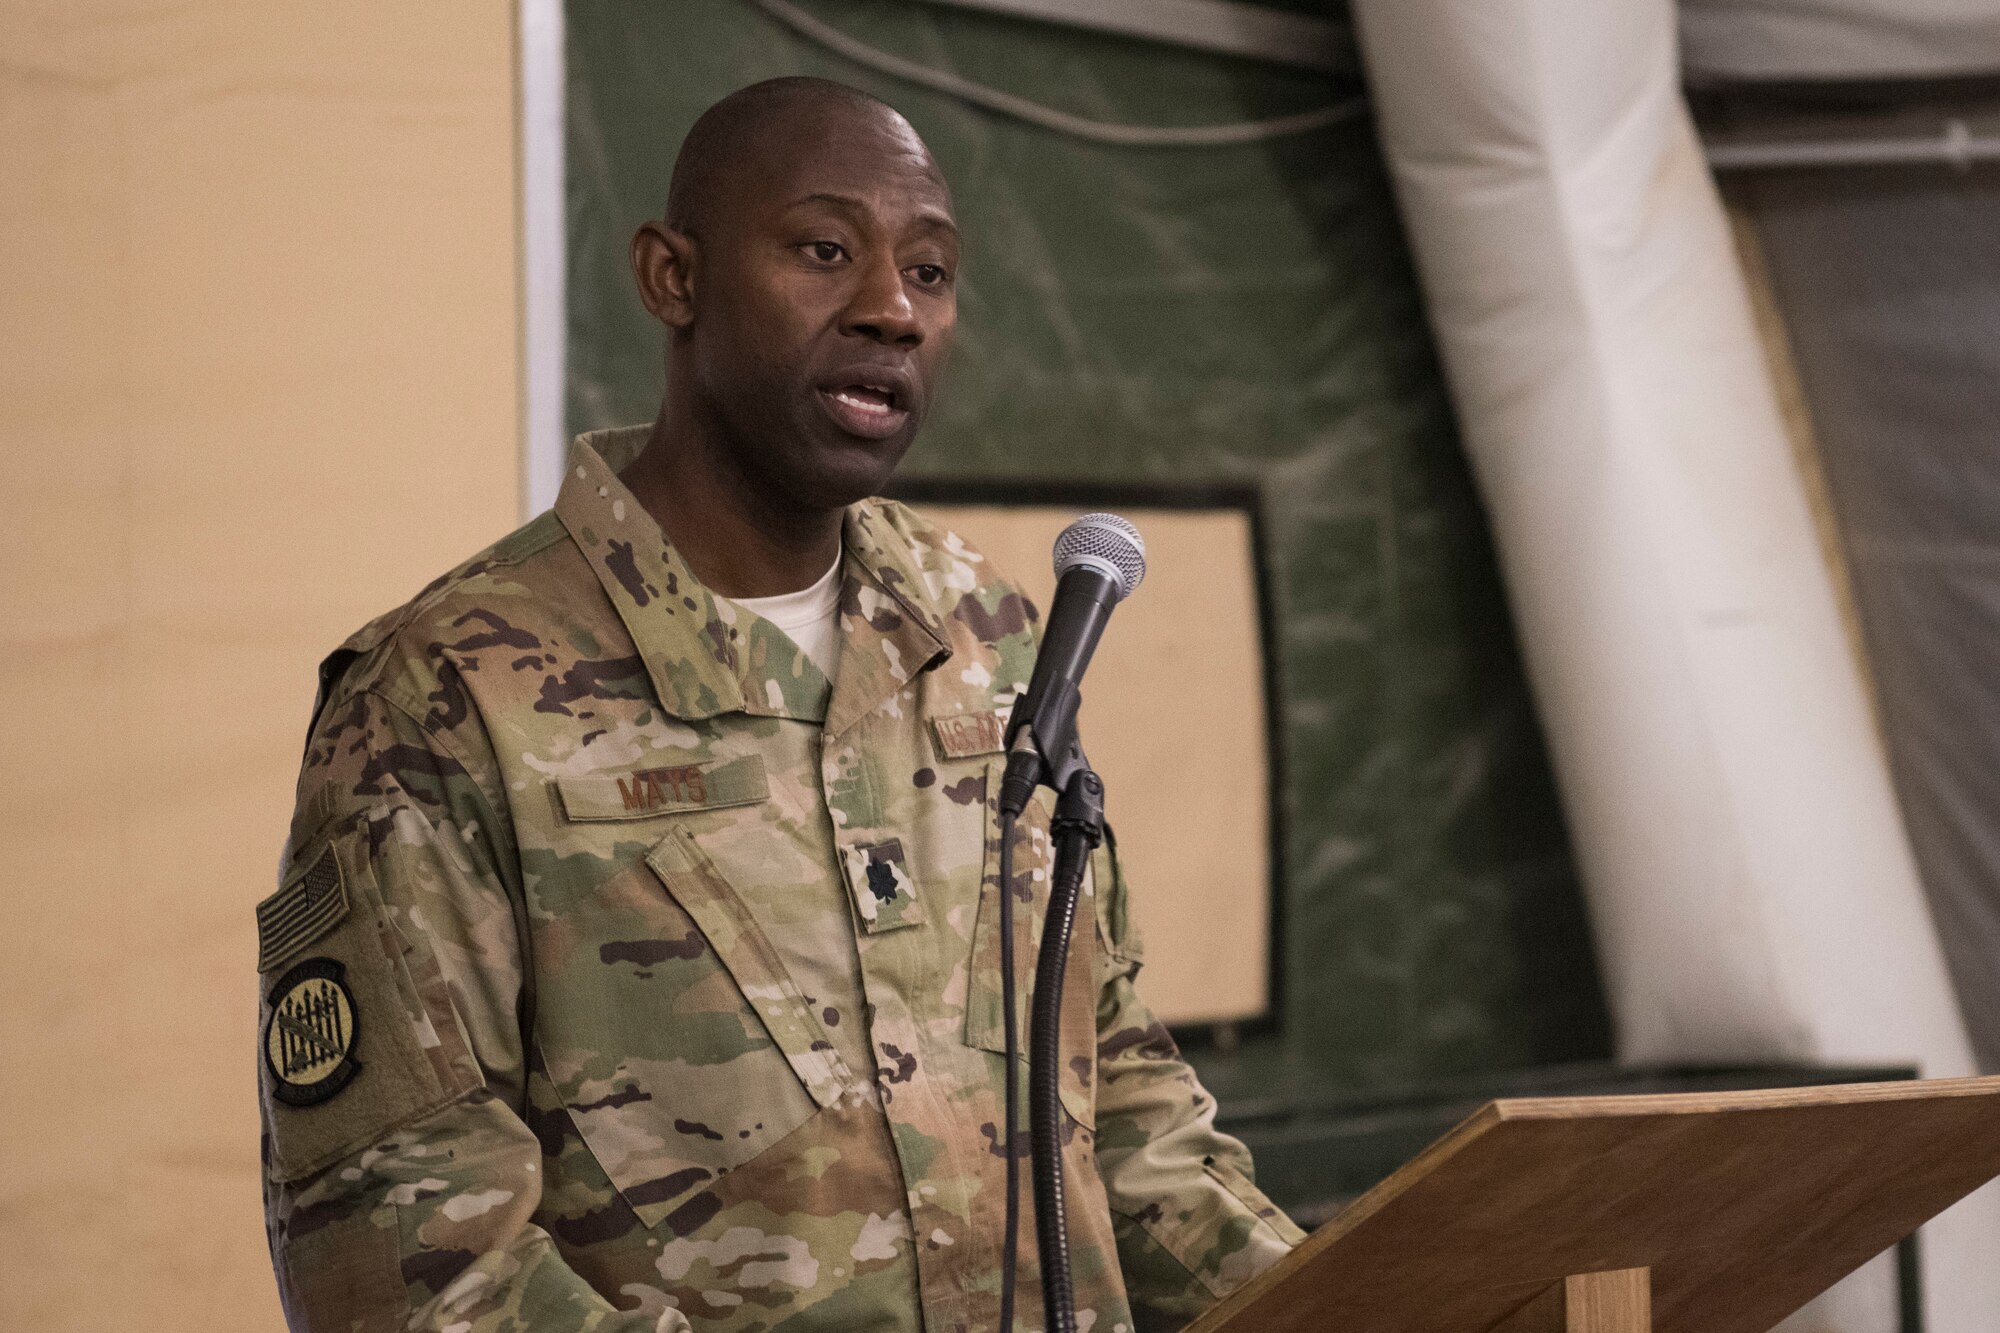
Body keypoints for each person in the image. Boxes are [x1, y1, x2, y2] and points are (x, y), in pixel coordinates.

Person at [255, 76, 1302, 1333]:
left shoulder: (982, 634)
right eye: (823, 251)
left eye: (929, 272)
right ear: (670, 279)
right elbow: (407, 1258)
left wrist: (1384, 1297)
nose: (890, 311)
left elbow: (1115, 1093)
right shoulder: (444, 695)